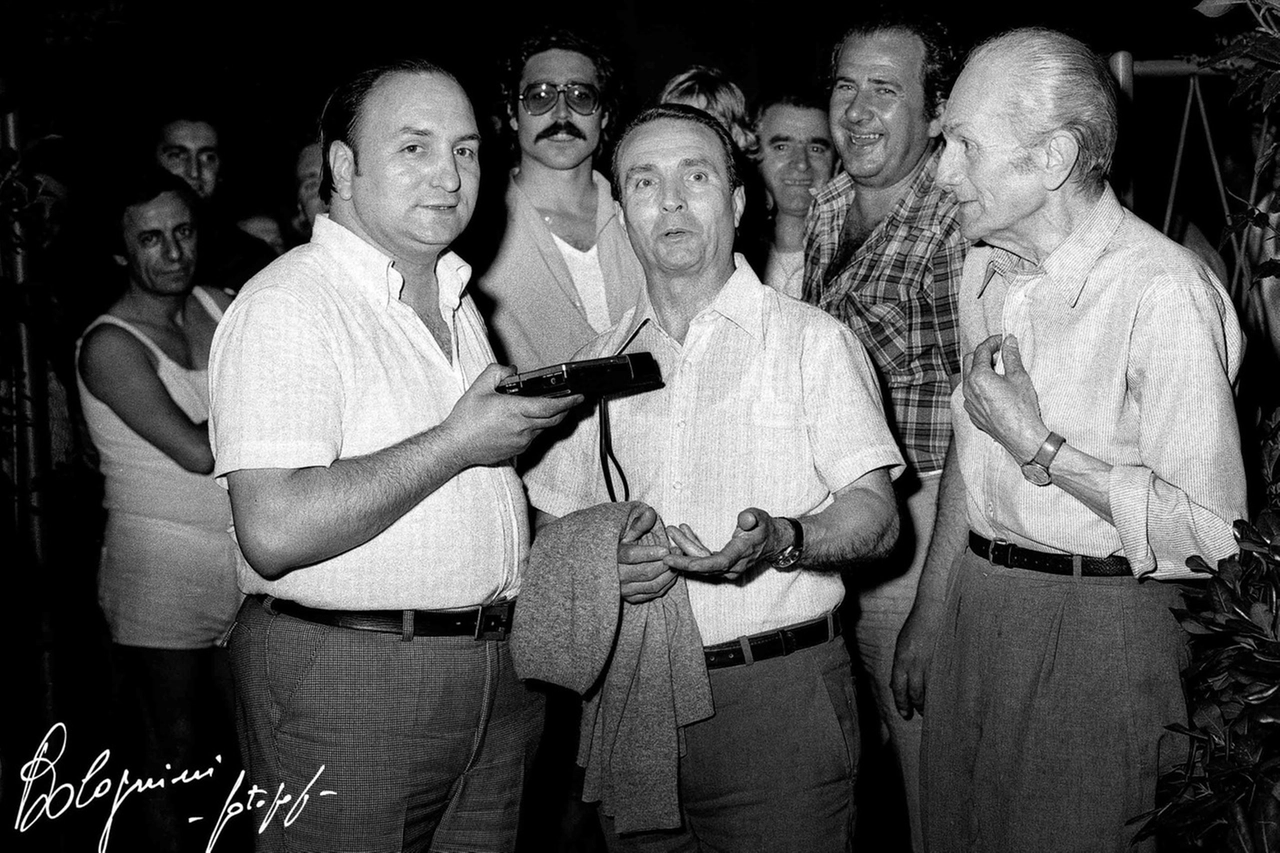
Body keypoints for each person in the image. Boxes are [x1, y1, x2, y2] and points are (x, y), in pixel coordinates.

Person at [207, 59, 583, 852]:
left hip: (495, 674)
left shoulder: (454, 297)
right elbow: (272, 530)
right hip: (352, 675)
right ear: (343, 167)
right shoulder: (288, 304)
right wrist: (456, 442)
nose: (449, 176)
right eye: (415, 148)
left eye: (466, 149)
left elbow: (461, 500)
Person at [890, 28, 1248, 853]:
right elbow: (973, 461)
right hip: (982, 610)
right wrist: (935, 604)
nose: (940, 171)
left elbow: (1215, 542)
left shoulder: (1163, 292)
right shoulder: (987, 269)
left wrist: (1041, 446)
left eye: (962, 145)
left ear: (1052, 158)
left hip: (1102, 626)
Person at [526, 103, 903, 851]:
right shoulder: (594, 364)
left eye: (694, 176)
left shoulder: (810, 343)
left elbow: (878, 514)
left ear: (735, 202)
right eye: (644, 182)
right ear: (622, 215)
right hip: (632, 696)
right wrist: (603, 564)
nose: (669, 200)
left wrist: (783, 540)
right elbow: (547, 529)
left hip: (776, 696)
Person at [801, 13, 965, 850]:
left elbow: (981, 430)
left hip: (922, 552)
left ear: (936, 112)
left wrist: (932, 613)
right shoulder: (827, 209)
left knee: (936, 799)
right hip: (839, 545)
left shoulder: (954, 226)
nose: (858, 109)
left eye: (887, 90)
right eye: (846, 85)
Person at [76, 167, 242, 853]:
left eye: (183, 231)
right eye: (151, 238)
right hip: (158, 569)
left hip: (242, 558)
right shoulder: (109, 343)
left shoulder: (221, 303)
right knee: (169, 747)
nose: (173, 252)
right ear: (120, 251)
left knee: (252, 736)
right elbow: (200, 451)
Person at [475, 28, 643, 373]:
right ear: (511, 113)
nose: (562, 112)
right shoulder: (476, 227)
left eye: (581, 96)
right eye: (540, 96)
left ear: (605, 114)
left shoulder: (644, 213)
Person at [152, 111, 275, 291]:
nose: (194, 172)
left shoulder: (250, 259)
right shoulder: (127, 255)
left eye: (208, 157)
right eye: (177, 155)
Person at [751, 91, 835, 298]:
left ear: (837, 162)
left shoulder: (854, 260)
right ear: (752, 154)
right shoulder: (729, 257)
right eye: (782, 147)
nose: (801, 163)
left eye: (816, 149)